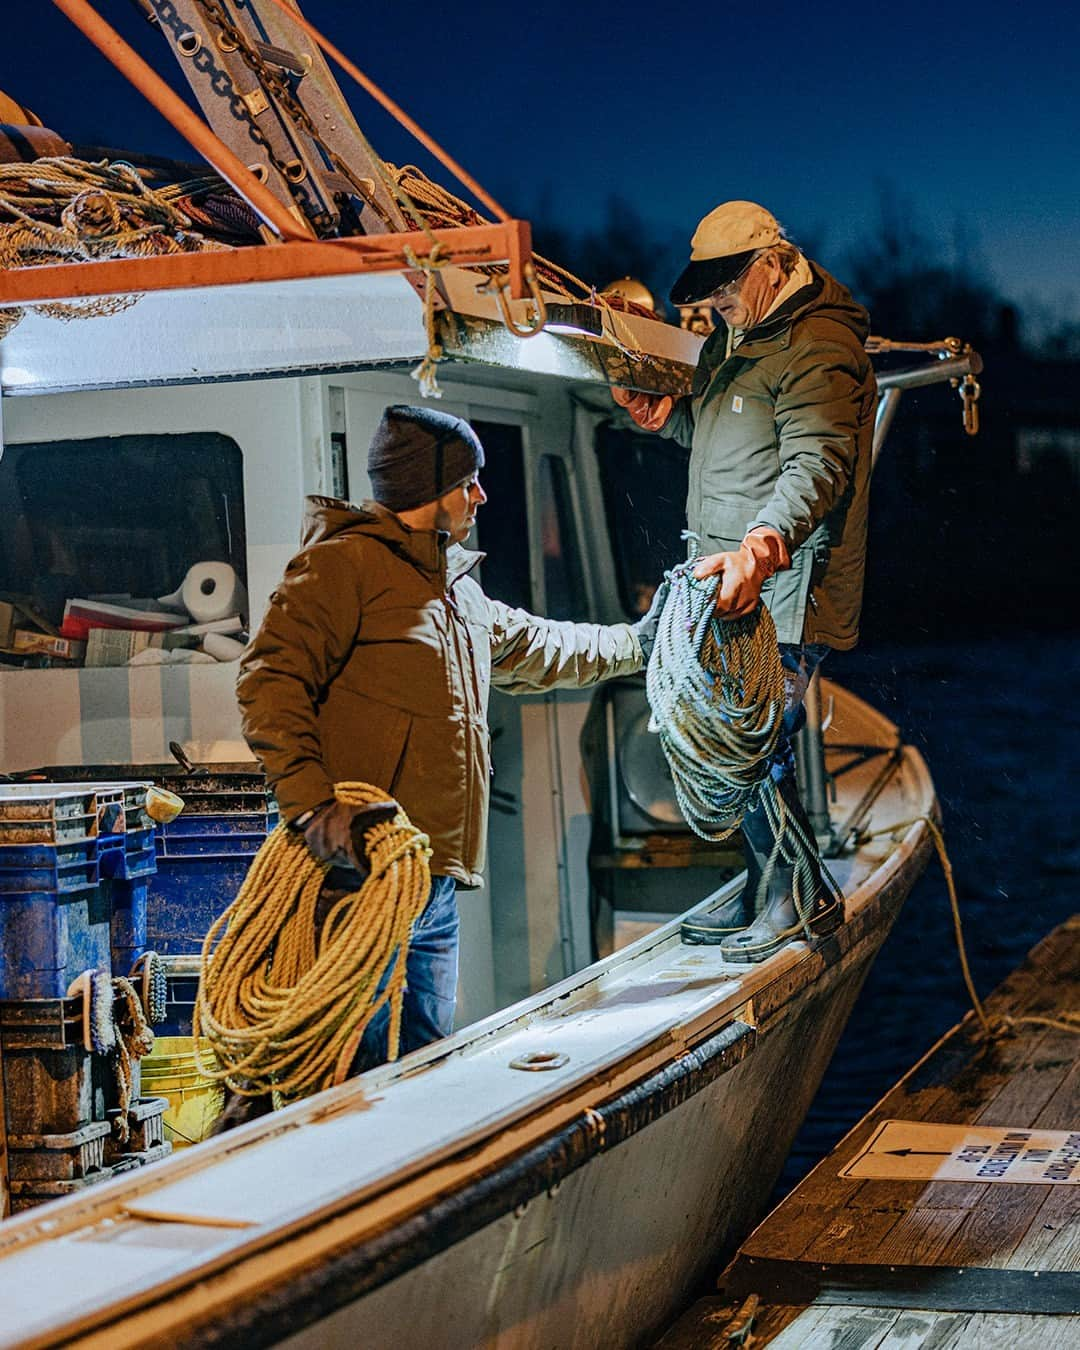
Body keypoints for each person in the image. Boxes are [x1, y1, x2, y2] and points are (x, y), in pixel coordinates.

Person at [237, 405, 664, 1070]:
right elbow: (269, 683)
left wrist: (641, 643)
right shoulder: (340, 568)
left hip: (432, 881)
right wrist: (315, 807)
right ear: (425, 490)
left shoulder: (455, 587)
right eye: (469, 482)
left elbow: (541, 646)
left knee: (424, 1060)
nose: (481, 496)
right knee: (362, 1066)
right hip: (361, 879)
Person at [614, 201, 876, 961]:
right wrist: (667, 417)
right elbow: (731, 430)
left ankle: (797, 901)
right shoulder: (744, 336)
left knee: (750, 748)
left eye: (726, 289)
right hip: (730, 582)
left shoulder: (818, 345)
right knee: (739, 745)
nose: (713, 305)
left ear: (770, 264)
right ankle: (771, 892)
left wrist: (759, 550)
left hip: (782, 596)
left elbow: (816, 461)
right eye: (708, 292)